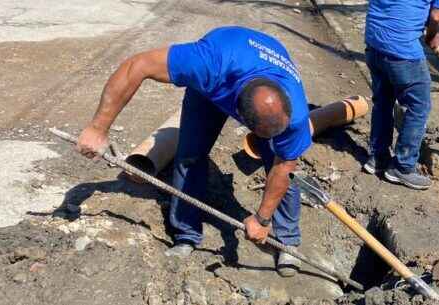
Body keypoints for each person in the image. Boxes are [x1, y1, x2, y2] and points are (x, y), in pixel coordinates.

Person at [75, 26, 312, 277]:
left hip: (257, 64)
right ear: (239, 117)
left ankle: (287, 240)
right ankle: (186, 234)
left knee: (281, 162)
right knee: (190, 155)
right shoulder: (207, 64)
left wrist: (262, 219)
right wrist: (98, 128)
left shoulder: (294, 115)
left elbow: (284, 168)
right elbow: (137, 65)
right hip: (222, 72)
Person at [362, 0, 439, 190]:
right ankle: (403, 167)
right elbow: (438, 16)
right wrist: (432, 34)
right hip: (401, 48)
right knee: (418, 105)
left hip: (374, 40)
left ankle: (378, 157)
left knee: (382, 101)